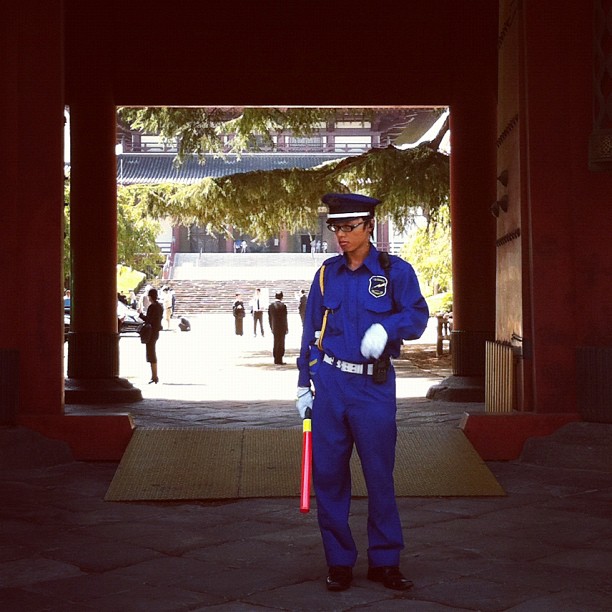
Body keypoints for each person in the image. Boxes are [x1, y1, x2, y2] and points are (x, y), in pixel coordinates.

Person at [296, 192, 429, 593]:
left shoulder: (395, 272)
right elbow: (310, 330)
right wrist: (304, 381)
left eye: (349, 227)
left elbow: (418, 316)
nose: (341, 235)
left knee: (379, 476)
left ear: (370, 226)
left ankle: (385, 560)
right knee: (329, 476)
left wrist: (387, 329)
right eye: (335, 227)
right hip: (332, 386)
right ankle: (339, 562)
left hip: (373, 386)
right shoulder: (326, 274)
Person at [139, 287, 164, 384]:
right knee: (151, 352)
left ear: (150, 297)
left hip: (151, 332)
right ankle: (154, 375)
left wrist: (141, 315)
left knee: (151, 353)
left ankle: (154, 376)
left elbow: (148, 320)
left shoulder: (152, 307)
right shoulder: (159, 306)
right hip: (156, 332)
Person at [268, 291, 288, 364]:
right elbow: (284, 318)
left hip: (274, 327)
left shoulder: (271, 306)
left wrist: (271, 326)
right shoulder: (283, 306)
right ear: (282, 297)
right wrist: (286, 327)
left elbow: (269, 318)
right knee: (281, 342)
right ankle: (280, 359)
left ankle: (276, 358)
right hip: (282, 327)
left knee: (276, 342)